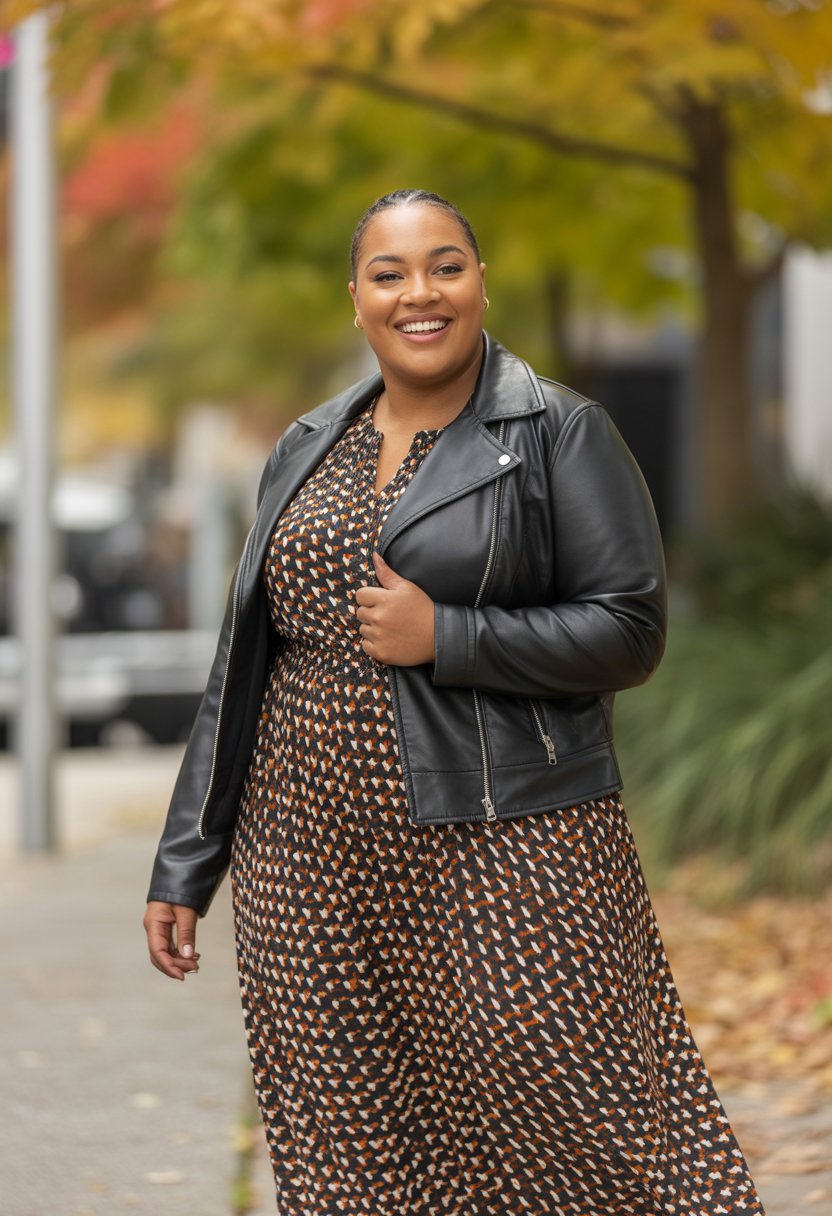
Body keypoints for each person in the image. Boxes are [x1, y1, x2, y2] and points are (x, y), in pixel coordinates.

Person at [144, 189, 765, 1215]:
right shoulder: (304, 446)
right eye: (388, 274)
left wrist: (452, 637)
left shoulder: (558, 430)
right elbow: (240, 667)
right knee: (347, 1135)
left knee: (575, 1120)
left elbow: (631, 627)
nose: (417, 293)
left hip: (506, 834)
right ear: (356, 300)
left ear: (481, 283)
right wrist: (186, 860)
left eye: (444, 266)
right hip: (307, 855)